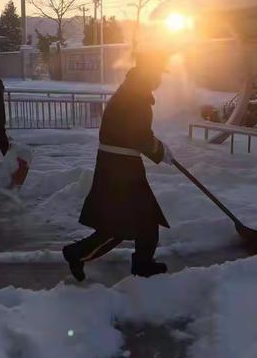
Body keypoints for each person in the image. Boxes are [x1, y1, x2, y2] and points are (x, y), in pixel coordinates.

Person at [62, 52, 174, 282]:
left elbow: (134, 134)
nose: (160, 79)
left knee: (139, 220)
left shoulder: (133, 91)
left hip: (119, 165)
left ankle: (143, 264)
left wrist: (158, 148)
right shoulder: (135, 96)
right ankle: (78, 253)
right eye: (159, 74)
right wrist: (160, 150)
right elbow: (139, 136)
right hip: (121, 169)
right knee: (124, 224)